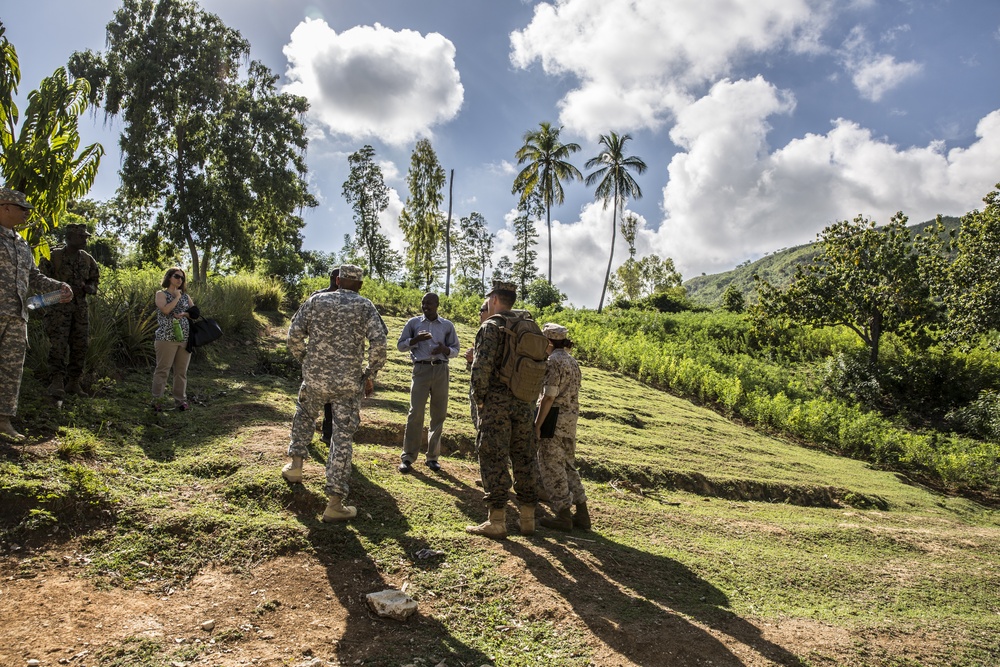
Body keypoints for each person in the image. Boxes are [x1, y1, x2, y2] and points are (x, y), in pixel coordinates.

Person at [282, 264, 387, 522]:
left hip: (315, 378)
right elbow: (380, 343)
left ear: (338, 280)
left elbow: (293, 334)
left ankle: (295, 468)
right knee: (341, 437)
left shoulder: (316, 301)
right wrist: (369, 374)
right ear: (360, 285)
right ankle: (335, 503)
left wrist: (305, 359)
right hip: (347, 383)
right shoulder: (365, 306)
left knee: (305, 415)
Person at [466, 280, 540, 539]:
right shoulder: (530, 325)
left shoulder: (491, 326)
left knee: (493, 456)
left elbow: (481, 367)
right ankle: (528, 518)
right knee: (525, 457)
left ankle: (496, 520)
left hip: (497, 403)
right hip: (526, 401)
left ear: (495, 299)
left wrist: (480, 399)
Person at [0, 187, 73, 438]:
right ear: (5, 207)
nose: (26, 213)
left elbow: (33, 276)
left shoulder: (21, 244)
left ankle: (4, 421)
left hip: (17, 316)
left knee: (11, 371)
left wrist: (58, 288)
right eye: (22, 208)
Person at [533, 323, 589, 531]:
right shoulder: (572, 361)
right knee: (568, 466)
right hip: (570, 420)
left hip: (553, 419)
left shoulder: (553, 362)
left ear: (547, 341)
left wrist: (538, 425)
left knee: (551, 466)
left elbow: (548, 396)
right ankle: (582, 513)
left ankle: (563, 514)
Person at [397, 292, 459, 473]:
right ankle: (408, 457)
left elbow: (455, 349)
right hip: (421, 370)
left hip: (440, 370)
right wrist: (415, 340)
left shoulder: (447, 325)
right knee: (415, 413)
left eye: (429, 304)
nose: (425, 306)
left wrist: (445, 349)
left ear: (437, 305)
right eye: (423, 303)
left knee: (438, 414)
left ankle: (432, 458)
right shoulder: (413, 323)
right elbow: (400, 346)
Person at [39, 223, 100, 397]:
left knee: (80, 345)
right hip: (58, 309)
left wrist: (89, 288)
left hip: (80, 309)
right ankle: (56, 381)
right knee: (58, 345)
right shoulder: (54, 256)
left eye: (86, 237)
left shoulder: (87, 259)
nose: (84, 240)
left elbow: (94, 280)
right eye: (81, 236)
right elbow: (41, 280)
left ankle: (74, 382)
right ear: (69, 237)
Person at [152, 267, 196, 411]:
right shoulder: (161, 294)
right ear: (169, 277)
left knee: (181, 372)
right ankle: (157, 401)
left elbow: (194, 312)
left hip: (184, 339)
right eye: (177, 276)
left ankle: (180, 401)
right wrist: (176, 297)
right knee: (163, 370)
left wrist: (184, 314)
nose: (180, 280)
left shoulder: (186, 296)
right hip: (166, 338)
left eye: (182, 278)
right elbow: (165, 310)